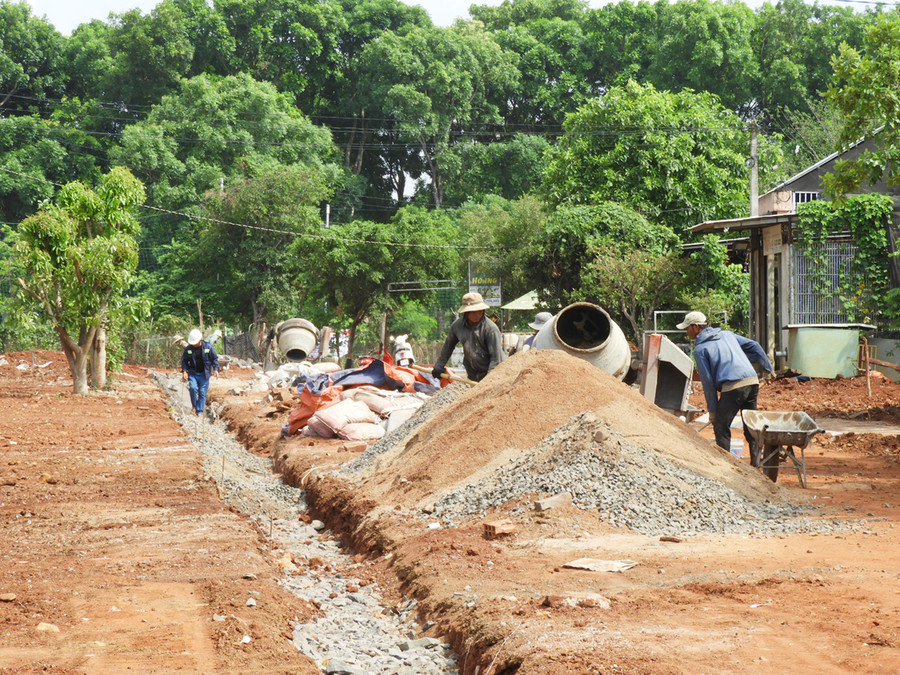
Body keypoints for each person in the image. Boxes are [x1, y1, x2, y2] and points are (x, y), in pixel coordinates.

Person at [677, 311, 773, 466]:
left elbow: (708, 383)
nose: (686, 332)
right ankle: (755, 467)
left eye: (687, 328)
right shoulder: (727, 335)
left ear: (695, 327)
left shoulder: (700, 350)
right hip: (752, 382)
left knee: (721, 426)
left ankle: (725, 467)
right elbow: (754, 346)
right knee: (750, 425)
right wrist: (768, 369)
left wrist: (713, 412)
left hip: (733, 387)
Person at [432, 292, 506, 383]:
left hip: (493, 374)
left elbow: (496, 359)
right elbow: (448, 347)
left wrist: (488, 382)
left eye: (480, 311)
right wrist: (439, 365)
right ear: (466, 312)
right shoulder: (457, 326)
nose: (478, 315)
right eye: (474, 312)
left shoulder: (490, 329)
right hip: (473, 374)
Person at [181, 329, 220, 415]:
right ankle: (194, 407)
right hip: (193, 374)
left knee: (202, 393)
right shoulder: (188, 349)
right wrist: (184, 371)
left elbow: (214, 359)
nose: (193, 344)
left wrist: (216, 369)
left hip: (204, 374)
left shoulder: (208, 347)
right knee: (193, 388)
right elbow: (184, 361)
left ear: (199, 340)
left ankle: (200, 411)